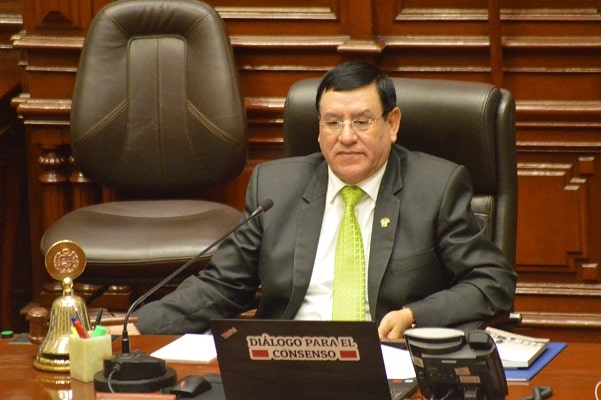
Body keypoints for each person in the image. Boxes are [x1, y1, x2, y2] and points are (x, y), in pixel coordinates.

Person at [131, 60, 516, 339]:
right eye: (333, 122)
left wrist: (414, 315)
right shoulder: (275, 187)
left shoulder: (436, 187)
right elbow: (222, 287)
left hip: (388, 361)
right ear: (318, 129)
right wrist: (137, 325)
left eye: (361, 121)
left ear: (392, 124)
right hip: (285, 361)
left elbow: (492, 281)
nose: (345, 137)